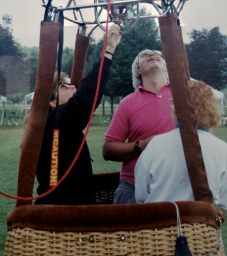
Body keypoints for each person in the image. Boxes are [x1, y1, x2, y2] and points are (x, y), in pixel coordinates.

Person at [35, 23, 121, 205]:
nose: (74, 86)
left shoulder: (54, 123)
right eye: (66, 84)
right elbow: (86, 96)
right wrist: (108, 51)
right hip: (62, 215)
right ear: (51, 100)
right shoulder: (56, 121)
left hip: (68, 207)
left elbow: (84, 98)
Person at [135, 80, 227, 209]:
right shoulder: (223, 149)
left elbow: (140, 194)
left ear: (177, 107)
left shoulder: (156, 144)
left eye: (173, 102)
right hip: (203, 227)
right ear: (211, 108)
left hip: (158, 225)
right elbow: (223, 203)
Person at [103, 49, 175, 204]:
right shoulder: (127, 103)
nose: (152, 55)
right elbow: (108, 150)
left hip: (177, 182)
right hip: (133, 185)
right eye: (144, 55)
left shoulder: (184, 96)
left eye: (159, 55)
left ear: (166, 67)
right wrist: (140, 146)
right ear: (137, 71)